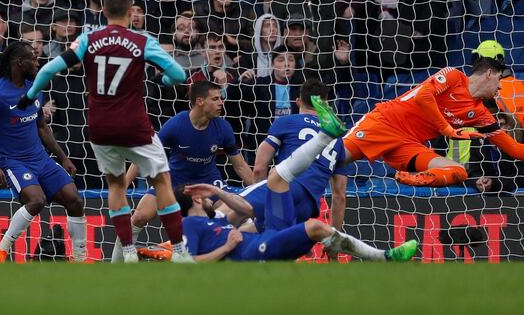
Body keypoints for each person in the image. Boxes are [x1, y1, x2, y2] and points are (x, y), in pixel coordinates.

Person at [18, 0, 192, 263]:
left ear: (105, 12)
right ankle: (181, 252)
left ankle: (127, 251)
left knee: (115, 185)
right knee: (162, 182)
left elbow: (49, 70)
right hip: (135, 125)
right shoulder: (142, 40)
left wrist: (29, 97)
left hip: (100, 126)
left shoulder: (88, 39)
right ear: (131, 10)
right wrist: (166, 82)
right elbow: (179, 75)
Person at [164, 98, 416, 262]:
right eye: (204, 196)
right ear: (194, 199)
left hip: (267, 234)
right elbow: (184, 260)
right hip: (260, 246)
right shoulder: (192, 226)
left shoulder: (212, 222)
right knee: (306, 216)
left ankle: (326, 134)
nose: (209, 198)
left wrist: (213, 190)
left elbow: (249, 209)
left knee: (273, 183)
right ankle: (385, 257)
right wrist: (227, 248)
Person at [332, 57, 524, 188]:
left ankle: (415, 178)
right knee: (333, 158)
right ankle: (305, 157)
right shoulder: (454, 77)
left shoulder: (481, 114)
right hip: (384, 123)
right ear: (489, 74)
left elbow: (513, 148)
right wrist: (445, 128)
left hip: (408, 145)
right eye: (499, 80)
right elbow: (423, 96)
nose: (500, 87)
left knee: (457, 171)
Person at [0, 42, 87, 263]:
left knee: (75, 200)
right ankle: (1, 252)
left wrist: (63, 157)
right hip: (13, 162)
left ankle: (80, 259)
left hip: (41, 159)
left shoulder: (34, 88)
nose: (37, 61)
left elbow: (42, 127)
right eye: (32, 58)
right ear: (19, 63)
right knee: (36, 200)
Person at [111, 81, 253, 262]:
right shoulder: (176, 124)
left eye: (221, 98)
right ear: (200, 101)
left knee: (238, 215)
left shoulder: (223, 128)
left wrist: (259, 188)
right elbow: (147, 156)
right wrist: (123, 186)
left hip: (208, 181)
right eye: (216, 99)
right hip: (175, 180)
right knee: (139, 216)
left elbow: (239, 165)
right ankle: (114, 265)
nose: (221, 103)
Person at [247, 79, 350, 231]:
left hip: (284, 190)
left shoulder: (285, 122)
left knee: (228, 215)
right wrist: (335, 238)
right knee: (275, 243)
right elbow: (339, 196)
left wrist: (258, 202)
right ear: (326, 105)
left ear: (298, 101)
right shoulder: (338, 140)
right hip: (308, 205)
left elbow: (259, 168)